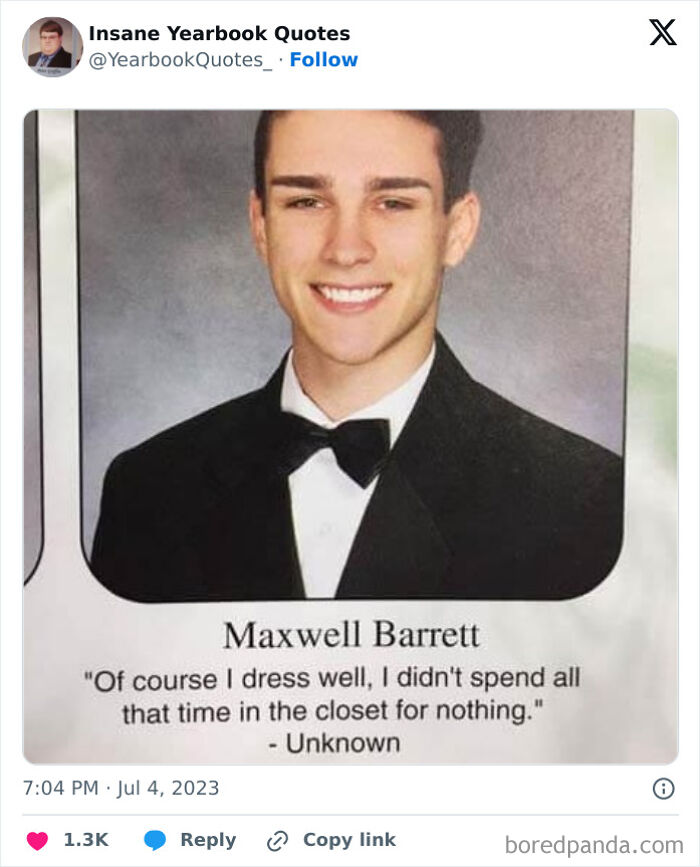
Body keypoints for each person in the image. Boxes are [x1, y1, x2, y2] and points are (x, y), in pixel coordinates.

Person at [91, 110, 623, 602]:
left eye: (392, 203)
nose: (345, 249)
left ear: (456, 231)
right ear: (261, 226)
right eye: (307, 201)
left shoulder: (582, 502)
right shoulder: (147, 490)